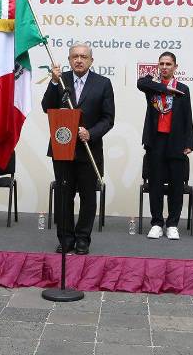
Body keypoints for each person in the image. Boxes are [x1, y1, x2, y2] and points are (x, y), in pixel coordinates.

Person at [41, 43, 115, 255]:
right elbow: (47, 107)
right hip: (62, 149)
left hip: (88, 150)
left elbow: (108, 118)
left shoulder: (103, 83)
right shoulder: (60, 79)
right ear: (69, 59)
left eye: (83, 56)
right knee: (64, 196)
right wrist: (54, 83)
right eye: (75, 56)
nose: (79, 60)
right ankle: (65, 239)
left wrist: (90, 133)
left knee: (87, 197)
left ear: (91, 60)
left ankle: (83, 238)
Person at [137, 52, 193, 240]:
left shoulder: (183, 89)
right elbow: (140, 83)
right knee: (156, 184)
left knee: (176, 185)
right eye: (161, 63)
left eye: (168, 64)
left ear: (175, 67)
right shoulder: (152, 87)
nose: (164, 67)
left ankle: (172, 224)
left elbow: (188, 117)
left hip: (176, 141)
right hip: (156, 141)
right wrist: (165, 89)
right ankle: (156, 223)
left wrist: (189, 143)